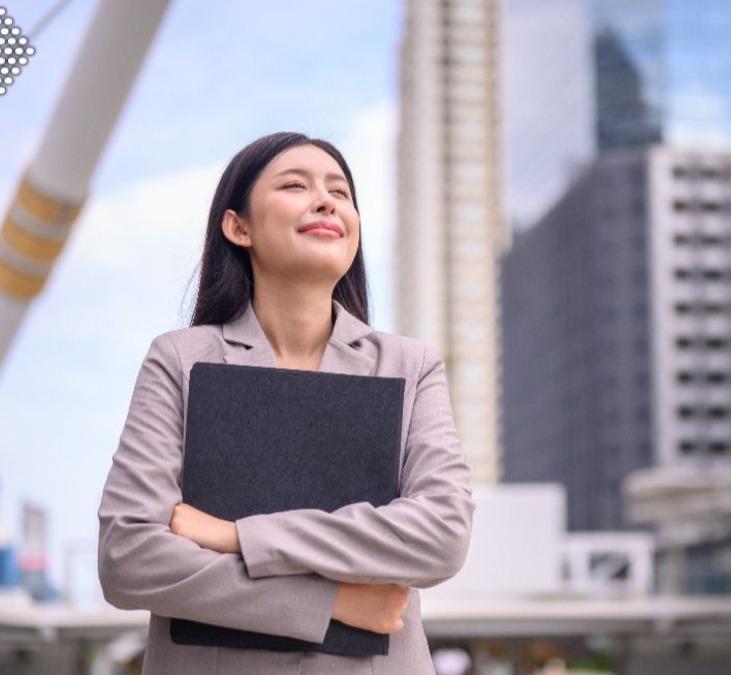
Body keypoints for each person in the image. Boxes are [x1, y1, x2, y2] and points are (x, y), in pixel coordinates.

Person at [97, 131, 476, 674]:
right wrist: (330, 604)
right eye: (295, 185)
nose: (326, 201)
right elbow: (129, 559)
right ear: (238, 226)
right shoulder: (181, 360)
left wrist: (240, 537)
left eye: (341, 193)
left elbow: (442, 534)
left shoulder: (409, 365)